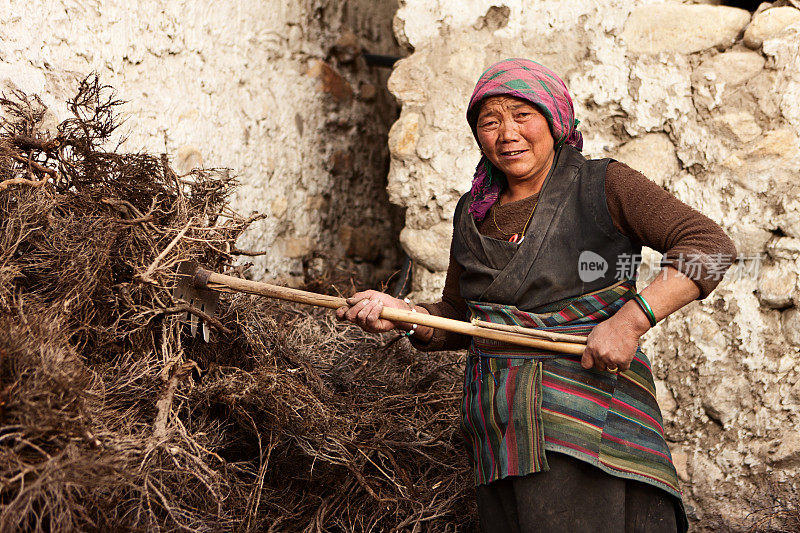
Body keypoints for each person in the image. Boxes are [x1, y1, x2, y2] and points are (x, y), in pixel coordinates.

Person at [336, 58, 736, 532]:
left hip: (586, 423)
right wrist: (406, 315)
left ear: (556, 119)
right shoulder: (473, 211)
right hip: (499, 431)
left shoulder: (603, 184)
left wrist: (630, 321)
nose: (507, 133)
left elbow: (712, 248)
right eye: (490, 121)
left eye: (522, 115)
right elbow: (461, 317)